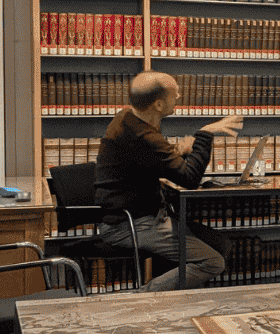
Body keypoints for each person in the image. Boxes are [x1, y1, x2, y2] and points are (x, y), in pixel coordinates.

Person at [94, 71, 243, 291]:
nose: (179, 96)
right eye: (175, 93)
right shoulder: (144, 136)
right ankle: (142, 297)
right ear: (158, 104)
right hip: (130, 224)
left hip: (142, 216)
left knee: (220, 244)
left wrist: (176, 153)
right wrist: (206, 133)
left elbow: (145, 160)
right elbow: (189, 178)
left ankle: (176, 300)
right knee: (212, 262)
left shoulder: (126, 118)